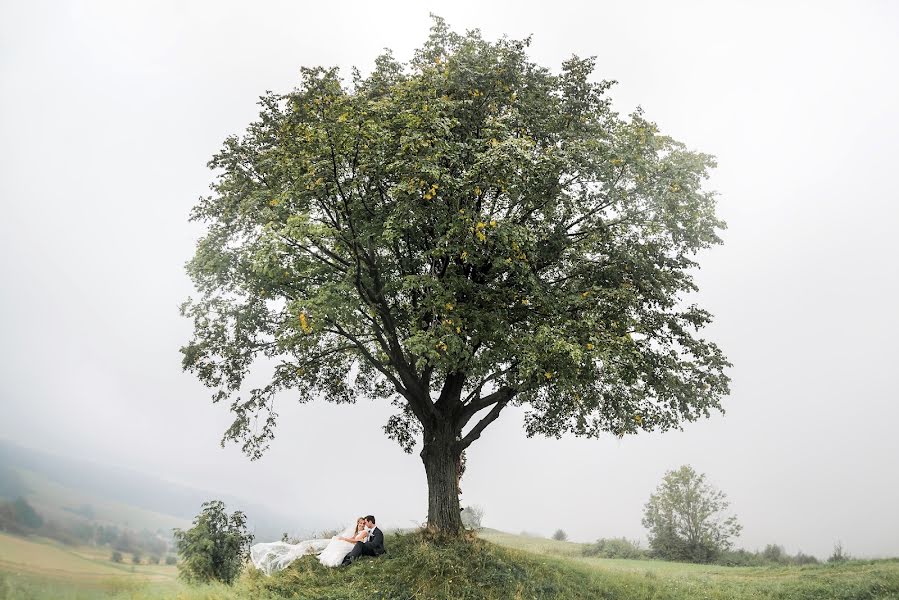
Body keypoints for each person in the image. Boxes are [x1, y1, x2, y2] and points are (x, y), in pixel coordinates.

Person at [249, 517, 369, 574]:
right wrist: (343, 538)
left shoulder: (364, 531)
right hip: (351, 542)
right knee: (333, 542)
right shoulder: (356, 531)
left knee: (337, 544)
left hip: (354, 546)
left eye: (363, 523)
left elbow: (355, 542)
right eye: (360, 523)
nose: (362, 525)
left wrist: (343, 538)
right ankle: (310, 549)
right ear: (357, 523)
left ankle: (329, 558)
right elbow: (353, 538)